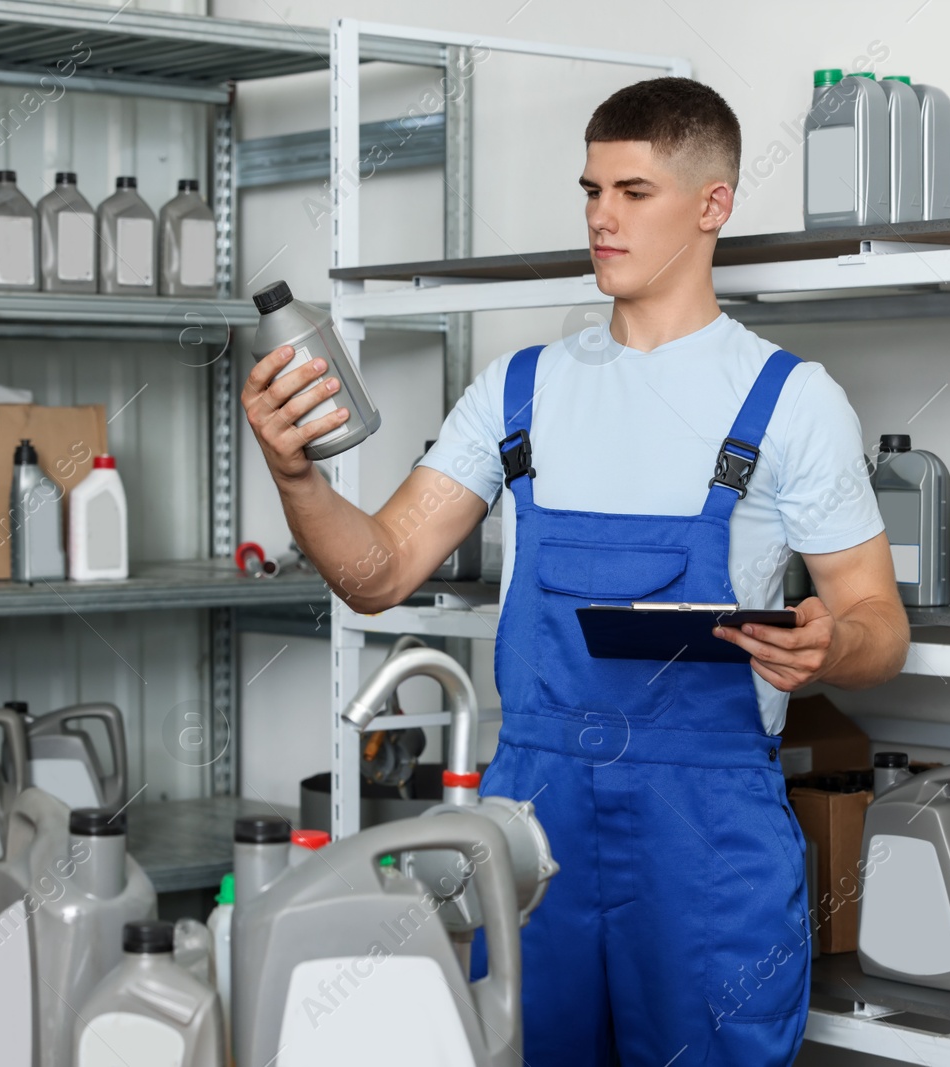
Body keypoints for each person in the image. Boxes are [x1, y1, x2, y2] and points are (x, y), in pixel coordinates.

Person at [243, 76, 906, 1067]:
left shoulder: (791, 401)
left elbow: (878, 626)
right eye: (590, 190)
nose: (600, 216)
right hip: (533, 829)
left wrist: (826, 640)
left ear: (712, 204)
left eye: (633, 192)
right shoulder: (518, 390)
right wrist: (293, 476)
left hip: (707, 844)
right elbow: (377, 571)